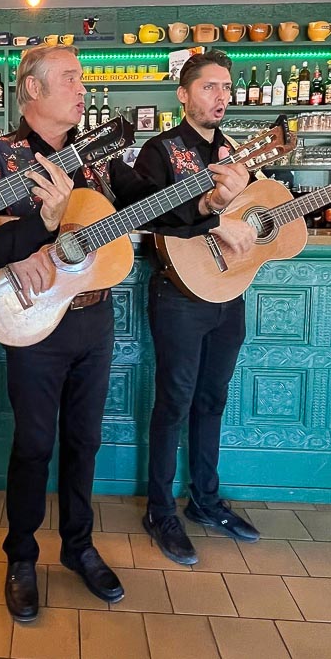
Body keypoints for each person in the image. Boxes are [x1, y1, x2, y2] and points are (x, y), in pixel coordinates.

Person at [0, 43, 245, 622]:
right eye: (70, 78)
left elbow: (153, 207)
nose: (82, 87)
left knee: (85, 442)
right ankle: (21, 556)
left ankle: (78, 545)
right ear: (31, 89)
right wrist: (20, 245)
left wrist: (207, 199)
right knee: (33, 445)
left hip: (94, 319)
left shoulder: (95, 159)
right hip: (32, 322)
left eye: (81, 79)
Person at [134, 49, 261, 566]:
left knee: (213, 399)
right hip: (179, 295)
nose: (221, 97)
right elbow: (147, 221)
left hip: (229, 293)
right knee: (174, 402)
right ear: (183, 94)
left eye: (226, 88)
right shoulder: (159, 151)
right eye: (210, 87)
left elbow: (250, 216)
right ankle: (160, 509)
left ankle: (205, 500)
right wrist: (207, 213)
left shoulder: (234, 152)